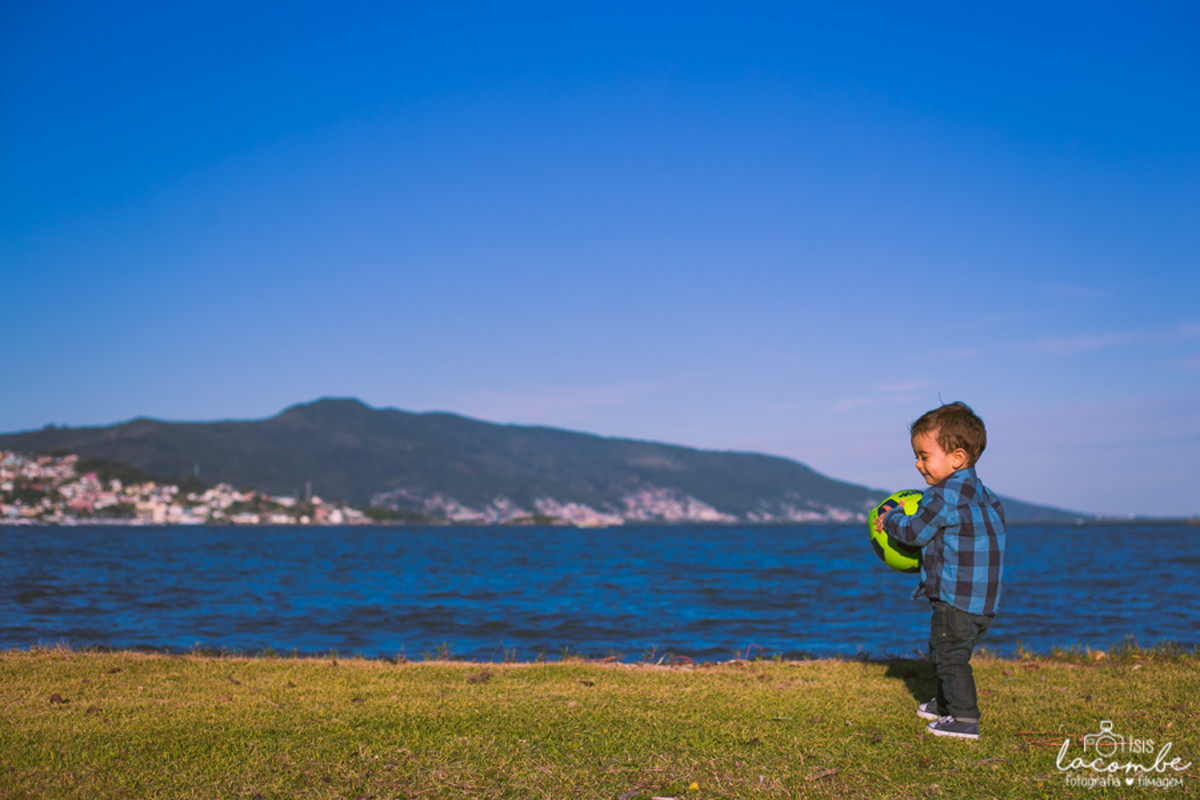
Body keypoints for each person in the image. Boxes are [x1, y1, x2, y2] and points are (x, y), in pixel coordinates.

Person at [876, 401, 1006, 741]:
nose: (917, 464)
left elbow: (912, 533)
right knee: (950, 649)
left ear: (957, 458)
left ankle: (964, 719)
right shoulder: (988, 497)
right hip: (985, 601)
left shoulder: (942, 497)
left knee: (949, 655)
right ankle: (945, 704)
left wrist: (889, 517)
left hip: (954, 597)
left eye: (924, 456)